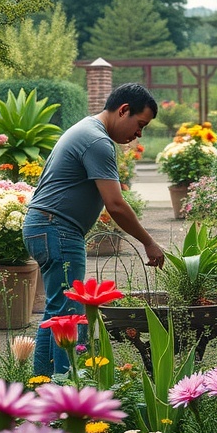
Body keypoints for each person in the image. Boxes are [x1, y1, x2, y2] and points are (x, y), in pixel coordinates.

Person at [23, 83, 165, 376]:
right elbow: (115, 204)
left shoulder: (86, 129)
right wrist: (148, 242)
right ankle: (68, 393)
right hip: (58, 229)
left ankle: (42, 386)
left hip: (45, 226)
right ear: (124, 110)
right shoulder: (97, 141)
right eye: (140, 125)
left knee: (57, 314)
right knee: (70, 317)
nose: (139, 134)